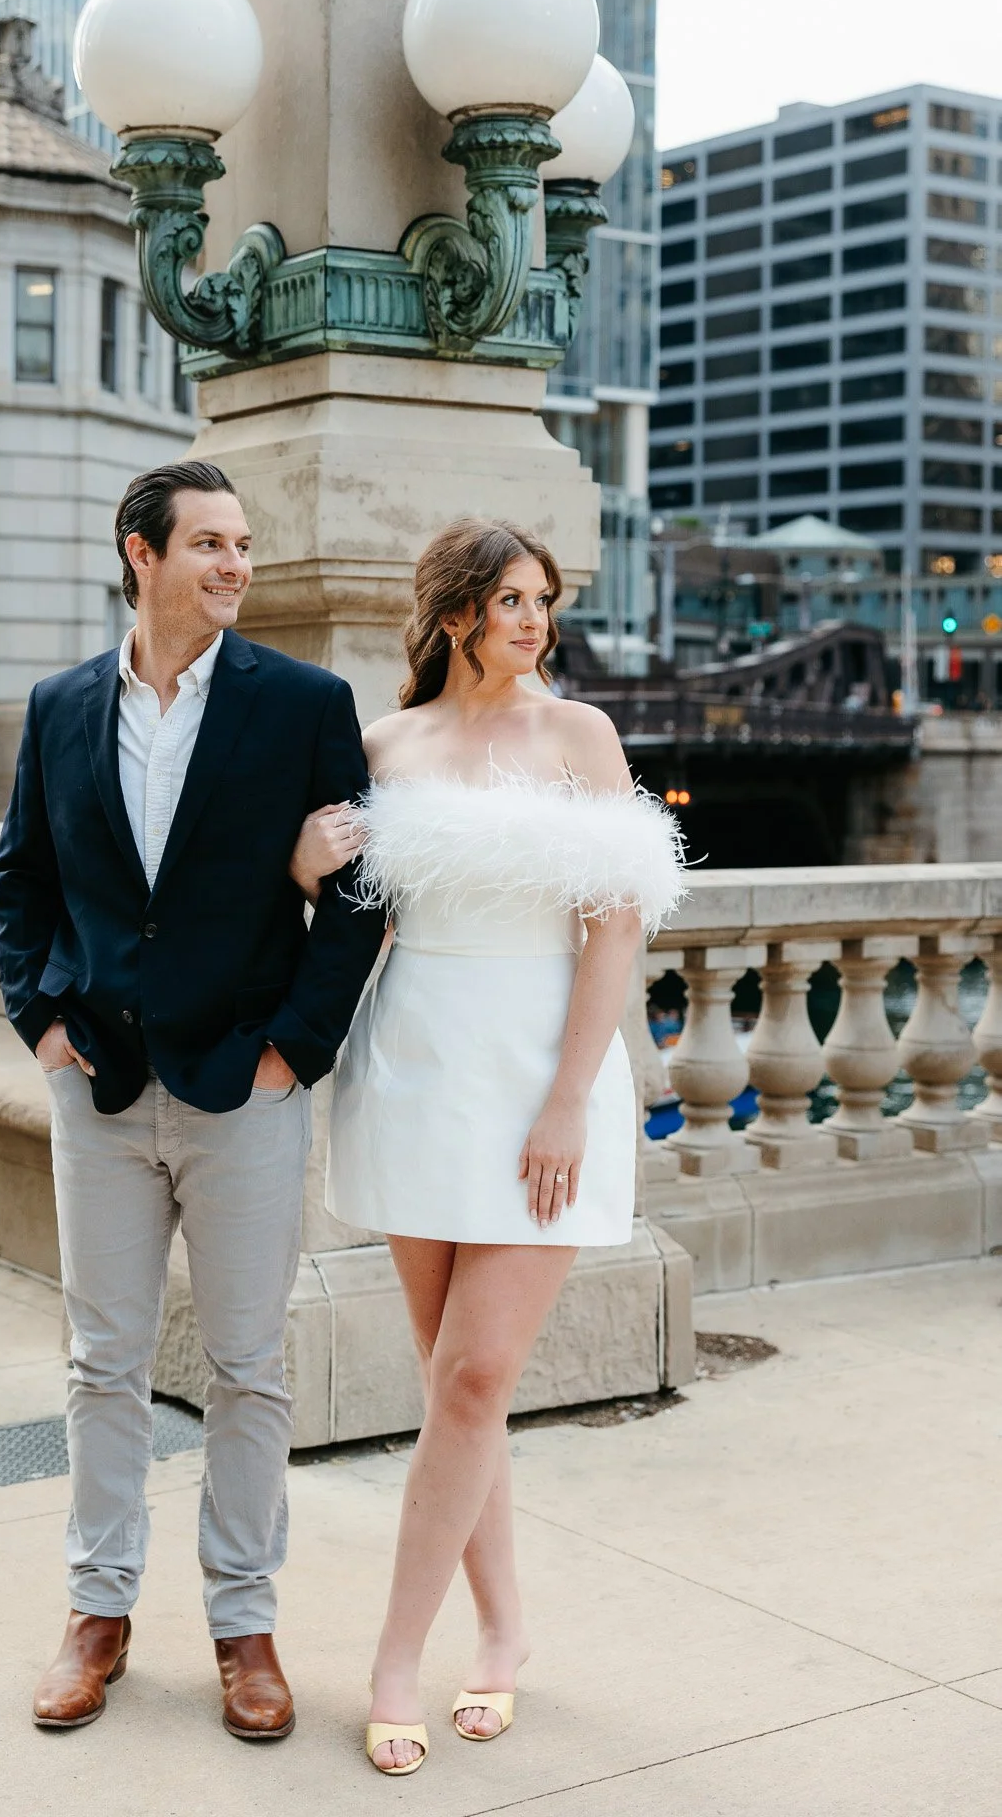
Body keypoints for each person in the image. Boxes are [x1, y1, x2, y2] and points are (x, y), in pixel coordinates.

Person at [0, 459, 382, 1741]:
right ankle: (96, 1613)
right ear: (139, 552)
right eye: (208, 542)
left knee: (248, 1369)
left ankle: (244, 1624)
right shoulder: (57, 707)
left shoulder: (306, 705)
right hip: (96, 1083)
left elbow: (360, 896)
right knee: (100, 1361)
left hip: (245, 1091)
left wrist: (292, 1055)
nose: (235, 564)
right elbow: (23, 879)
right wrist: (41, 1022)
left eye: (244, 544)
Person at [290, 516, 687, 1776]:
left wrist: (572, 1096)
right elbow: (351, 917)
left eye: (543, 599)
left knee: (470, 1378)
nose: (534, 620)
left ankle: (397, 1655)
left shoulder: (581, 737)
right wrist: (305, 867)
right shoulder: (386, 743)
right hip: (411, 1069)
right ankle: (505, 1627)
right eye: (511, 598)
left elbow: (615, 928)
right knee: (463, 1385)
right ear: (456, 610)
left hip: (539, 1074)